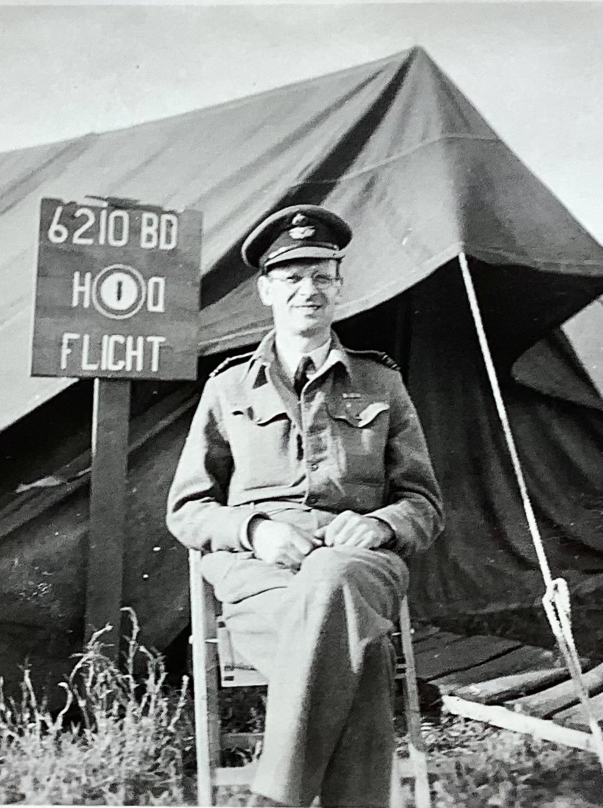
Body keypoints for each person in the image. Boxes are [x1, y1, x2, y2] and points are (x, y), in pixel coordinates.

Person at [167, 204, 444, 807]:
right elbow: (187, 508)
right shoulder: (228, 389)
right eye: (291, 276)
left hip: (360, 563)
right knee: (360, 653)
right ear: (266, 290)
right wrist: (256, 528)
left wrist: (378, 525)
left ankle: (276, 798)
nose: (307, 290)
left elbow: (424, 504)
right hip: (261, 579)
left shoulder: (381, 384)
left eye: (321, 275)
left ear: (339, 286)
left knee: (336, 578)